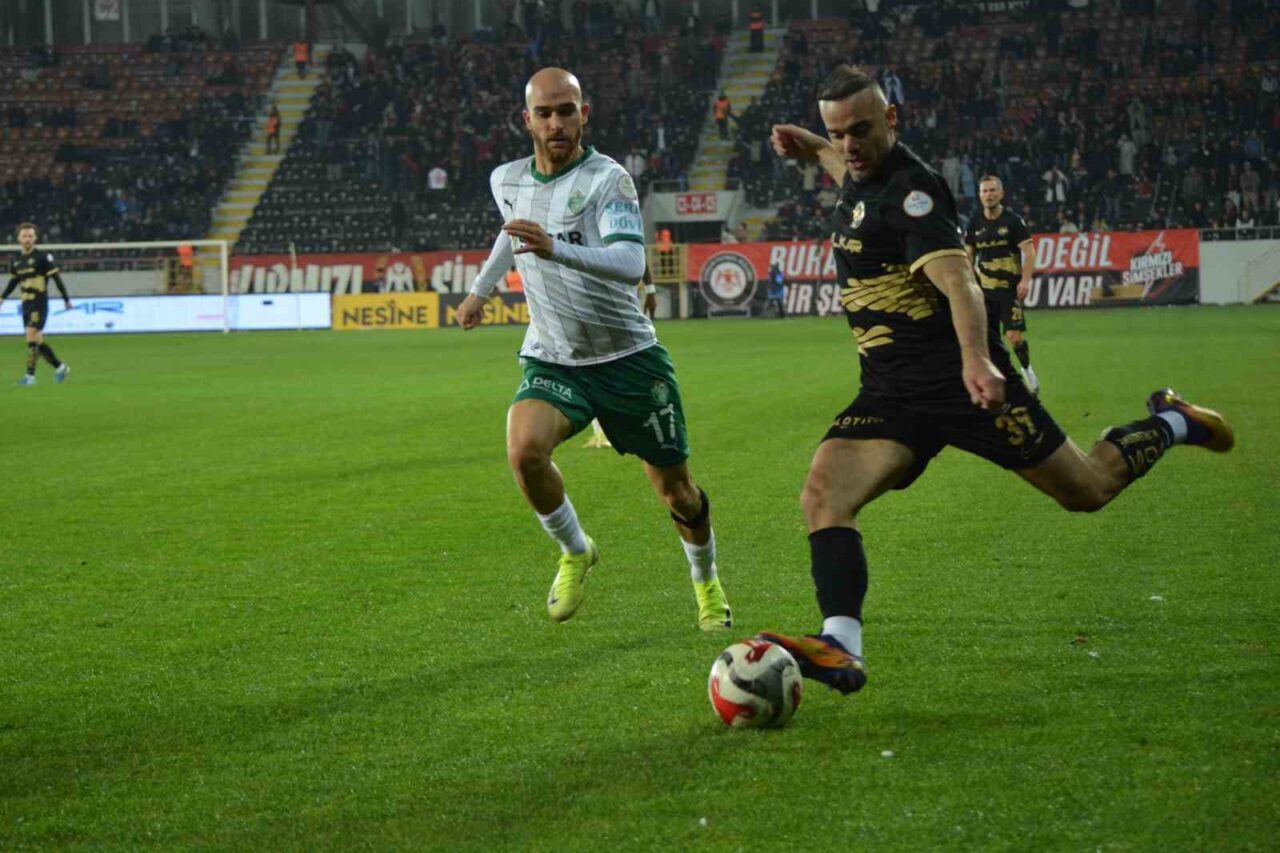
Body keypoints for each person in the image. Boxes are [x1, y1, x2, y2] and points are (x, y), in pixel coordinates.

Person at [757, 66, 1234, 696]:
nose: (847, 145)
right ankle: (841, 644)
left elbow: (960, 282)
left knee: (1086, 490)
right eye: (836, 132)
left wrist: (978, 360)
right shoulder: (857, 169)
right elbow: (840, 166)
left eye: (860, 131)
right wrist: (807, 144)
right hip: (891, 393)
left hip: (965, 385)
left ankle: (1173, 421)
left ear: (891, 121)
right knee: (822, 494)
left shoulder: (914, 193)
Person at [455, 68, 731, 631]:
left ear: (585, 113)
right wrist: (479, 292)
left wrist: (555, 249)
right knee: (524, 450)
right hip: (554, 354)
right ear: (525, 119)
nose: (556, 122)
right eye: (545, 112)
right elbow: (511, 233)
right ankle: (576, 549)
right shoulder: (505, 179)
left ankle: (707, 585)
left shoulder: (610, 180)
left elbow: (630, 262)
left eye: (566, 110)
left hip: (627, 358)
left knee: (678, 494)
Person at [965, 175, 1039, 393]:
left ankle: (1027, 370)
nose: (988, 195)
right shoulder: (974, 223)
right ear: (979, 195)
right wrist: (970, 283)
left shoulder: (1013, 221)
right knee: (988, 341)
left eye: (992, 190)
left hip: (1008, 290)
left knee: (1014, 337)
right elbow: (968, 256)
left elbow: (1029, 252)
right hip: (983, 293)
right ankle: (999, 381)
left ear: (1001, 193)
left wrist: (1025, 280)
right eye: (984, 191)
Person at [585, 264, 657, 449]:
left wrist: (650, 290)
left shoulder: (620, 243)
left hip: (621, 308)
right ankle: (601, 430)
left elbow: (639, 254)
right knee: (593, 366)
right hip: (595, 307)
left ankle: (637, 421)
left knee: (624, 366)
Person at [3, 222, 71, 386]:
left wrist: (66, 299)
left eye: (30, 236)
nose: (27, 239)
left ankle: (30, 376)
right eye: (24, 236)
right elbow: (13, 282)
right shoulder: (17, 261)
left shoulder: (43, 257)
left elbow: (56, 279)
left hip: (39, 304)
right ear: (19, 238)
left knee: (31, 338)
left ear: (35, 238)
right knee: (36, 342)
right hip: (25, 305)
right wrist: (2, 297)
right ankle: (60, 367)